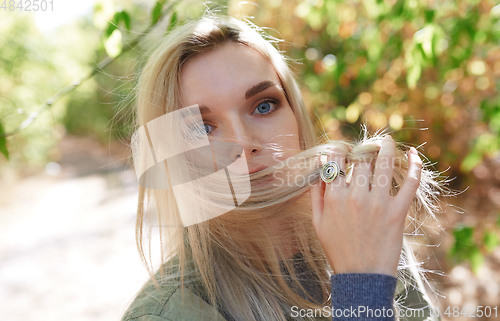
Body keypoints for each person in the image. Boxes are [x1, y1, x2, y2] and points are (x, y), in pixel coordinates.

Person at [121, 13, 450, 321]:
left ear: (296, 115)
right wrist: (362, 288)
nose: (244, 143)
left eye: (263, 106)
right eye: (202, 128)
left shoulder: (360, 227)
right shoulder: (166, 313)